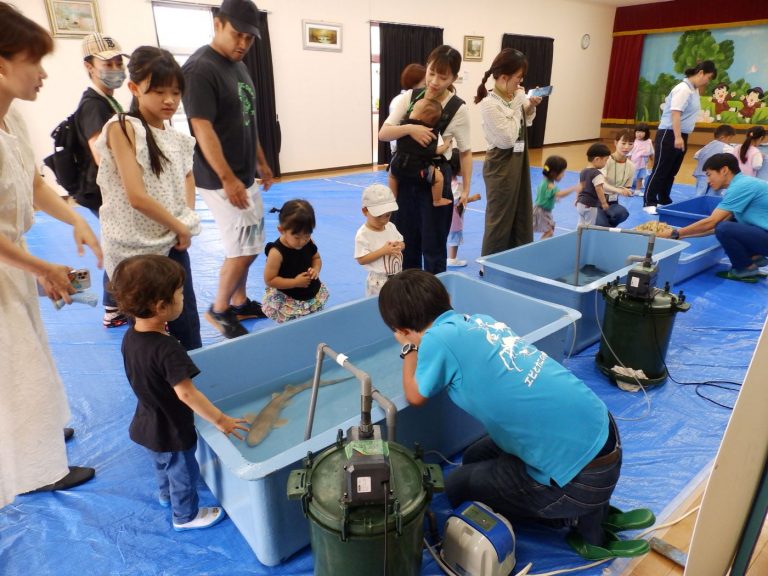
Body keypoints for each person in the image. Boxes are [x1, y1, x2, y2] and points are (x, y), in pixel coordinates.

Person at [378, 270, 647, 560]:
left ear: (402, 330)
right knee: (474, 457)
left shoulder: (435, 341)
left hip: (582, 480)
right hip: (603, 434)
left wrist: (408, 351)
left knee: (457, 487)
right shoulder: (481, 321)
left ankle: (577, 520)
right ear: (449, 299)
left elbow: (415, 394)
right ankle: (593, 509)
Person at [0, 2, 103, 504]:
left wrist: (76, 218)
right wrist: (41, 265)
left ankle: (37, 436)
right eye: (33, 61)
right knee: (16, 365)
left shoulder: (12, 117)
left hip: (13, 257)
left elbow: (32, 181)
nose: (42, 75)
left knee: (32, 353)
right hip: (5, 261)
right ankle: (36, 467)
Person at [110, 254, 249, 530]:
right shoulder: (167, 349)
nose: (184, 298)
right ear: (161, 306)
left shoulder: (131, 337)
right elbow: (187, 394)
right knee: (183, 471)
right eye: (180, 293)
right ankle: (185, 516)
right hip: (172, 428)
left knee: (163, 465)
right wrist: (220, 420)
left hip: (147, 421)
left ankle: (165, 495)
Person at [95, 46, 202, 350]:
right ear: (134, 88)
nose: (169, 100)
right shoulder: (123, 127)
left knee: (184, 318)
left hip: (171, 242)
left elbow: (187, 178)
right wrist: (180, 226)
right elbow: (136, 196)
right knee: (147, 328)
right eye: (158, 91)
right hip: (136, 252)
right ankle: (156, 390)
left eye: (176, 92)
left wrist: (186, 220)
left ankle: (192, 383)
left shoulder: (179, 138)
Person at [182, 0, 274, 339]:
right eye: (237, 35)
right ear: (218, 24)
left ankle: (239, 301)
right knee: (245, 248)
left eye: (249, 39)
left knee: (249, 242)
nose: (242, 44)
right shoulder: (200, 69)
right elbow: (201, 128)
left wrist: (261, 159)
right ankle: (219, 309)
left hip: (242, 173)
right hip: (220, 179)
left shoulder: (239, 66)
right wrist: (227, 178)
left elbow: (246, 118)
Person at [379, 45, 472, 274]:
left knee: (433, 248)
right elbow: (384, 133)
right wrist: (410, 128)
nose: (434, 81)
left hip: (434, 181)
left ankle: (435, 299)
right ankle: (410, 294)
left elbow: (467, 151)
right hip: (406, 179)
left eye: (443, 77)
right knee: (406, 243)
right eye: (431, 73)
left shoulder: (457, 108)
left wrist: (467, 189)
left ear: (454, 78)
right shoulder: (410, 97)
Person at [74, 33, 129, 328]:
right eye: (108, 63)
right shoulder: (94, 104)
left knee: (119, 247)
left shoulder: (109, 100)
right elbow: (101, 155)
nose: (116, 67)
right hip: (104, 191)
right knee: (120, 249)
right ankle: (113, 308)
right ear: (89, 66)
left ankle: (114, 307)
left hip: (111, 189)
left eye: (119, 61)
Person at [657, 153, 768, 282]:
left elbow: (712, 223)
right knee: (728, 224)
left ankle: (745, 268)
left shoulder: (741, 186)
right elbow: (713, 229)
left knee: (725, 228)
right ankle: (754, 257)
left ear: (724, 170)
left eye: (709, 175)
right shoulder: (743, 183)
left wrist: (674, 233)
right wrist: (680, 236)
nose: (708, 181)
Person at [475, 48, 542, 256]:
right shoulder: (489, 103)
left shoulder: (513, 97)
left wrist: (529, 105)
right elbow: (507, 139)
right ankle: (490, 263)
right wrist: (518, 101)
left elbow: (525, 122)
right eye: (517, 78)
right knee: (500, 217)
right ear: (504, 77)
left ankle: (515, 258)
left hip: (519, 160)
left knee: (521, 211)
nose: (520, 83)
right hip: (501, 165)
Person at [644, 60, 717, 213]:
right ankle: (649, 202)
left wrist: (681, 137)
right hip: (669, 133)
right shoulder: (683, 89)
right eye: (708, 77)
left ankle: (663, 198)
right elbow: (675, 113)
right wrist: (677, 137)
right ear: (701, 73)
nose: (707, 81)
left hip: (681, 134)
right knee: (661, 169)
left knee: (672, 170)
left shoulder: (694, 90)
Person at [262, 199, 328, 322]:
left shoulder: (309, 242)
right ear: (281, 230)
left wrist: (315, 269)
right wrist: (295, 282)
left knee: (313, 323)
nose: (302, 241)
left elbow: (316, 258)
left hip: (311, 295)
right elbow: (270, 279)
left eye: (307, 235)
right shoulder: (276, 253)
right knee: (293, 329)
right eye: (297, 237)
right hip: (290, 300)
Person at [388, 98, 452, 208]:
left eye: (413, 111)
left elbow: (394, 142)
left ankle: (393, 198)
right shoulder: (431, 133)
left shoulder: (402, 126)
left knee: (392, 176)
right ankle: (437, 200)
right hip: (418, 169)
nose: (410, 112)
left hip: (398, 164)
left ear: (418, 117)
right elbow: (437, 151)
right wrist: (446, 144)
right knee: (439, 178)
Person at [354, 184, 404, 296]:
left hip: (397, 275)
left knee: (396, 305)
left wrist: (399, 246)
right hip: (378, 281)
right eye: (378, 216)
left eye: (387, 215)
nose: (383, 220)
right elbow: (361, 259)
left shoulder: (390, 226)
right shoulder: (363, 234)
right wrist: (383, 251)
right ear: (365, 211)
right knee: (379, 307)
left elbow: (402, 242)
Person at [447, 149, 481, 267]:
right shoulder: (457, 186)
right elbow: (459, 201)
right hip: (454, 218)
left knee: (448, 236)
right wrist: (473, 198)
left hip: (445, 217)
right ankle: (452, 258)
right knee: (454, 238)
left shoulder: (445, 182)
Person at [533, 155, 582, 240]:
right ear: (554, 173)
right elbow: (560, 194)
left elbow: (543, 193)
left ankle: (540, 245)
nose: (563, 175)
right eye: (562, 172)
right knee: (549, 232)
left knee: (550, 230)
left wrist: (553, 198)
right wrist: (574, 188)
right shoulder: (550, 185)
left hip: (542, 210)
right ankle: (538, 247)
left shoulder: (546, 181)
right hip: (542, 212)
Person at [598, 129, 634, 228]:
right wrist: (618, 190)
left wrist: (627, 190)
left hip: (613, 201)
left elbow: (627, 186)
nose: (626, 147)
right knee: (602, 225)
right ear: (615, 143)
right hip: (596, 200)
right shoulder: (606, 160)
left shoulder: (631, 166)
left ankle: (605, 229)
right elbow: (601, 184)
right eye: (623, 143)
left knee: (622, 213)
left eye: (630, 144)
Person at [388, 63, 426, 155]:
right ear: (414, 83)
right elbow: (392, 130)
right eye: (424, 83)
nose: (427, 87)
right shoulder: (400, 100)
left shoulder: (420, 99)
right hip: (402, 151)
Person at [692, 124, 735, 196]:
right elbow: (734, 155)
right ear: (723, 138)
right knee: (713, 194)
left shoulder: (708, 145)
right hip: (715, 176)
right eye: (729, 139)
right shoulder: (726, 147)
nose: (729, 142)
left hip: (701, 174)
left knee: (700, 193)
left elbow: (696, 155)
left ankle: (698, 205)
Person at [576, 143, 612, 227]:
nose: (605, 163)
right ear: (597, 159)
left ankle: (578, 237)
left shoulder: (583, 171)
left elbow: (580, 186)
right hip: (590, 205)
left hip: (580, 203)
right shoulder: (597, 174)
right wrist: (603, 203)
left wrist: (577, 198)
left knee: (581, 223)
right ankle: (587, 239)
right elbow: (599, 188)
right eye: (605, 160)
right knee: (589, 225)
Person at [629, 123, 653, 194]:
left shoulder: (649, 141)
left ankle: (637, 190)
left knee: (640, 177)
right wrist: (628, 163)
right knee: (631, 178)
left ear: (646, 133)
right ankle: (628, 189)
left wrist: (652, 161)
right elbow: (629, 153)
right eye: (637, 132)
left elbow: (651, 152)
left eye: (642, 132)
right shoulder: (633, 141)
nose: (639, 134)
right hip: (634, 164)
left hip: (643, 165)